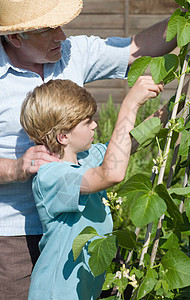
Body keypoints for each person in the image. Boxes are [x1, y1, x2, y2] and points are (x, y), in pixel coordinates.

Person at [0, 0, 176, 298]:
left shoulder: (72, 54)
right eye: (48, 29)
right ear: (15, 37)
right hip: (14, 231)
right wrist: (14, 168)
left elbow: (136, 47)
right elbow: (111, 171)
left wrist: (171, 111)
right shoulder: (54, 175)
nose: (62, 36)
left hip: (82, 237)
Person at [19, 76, 163, 299]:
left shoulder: (85, 157)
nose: (95, 124)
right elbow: (112, 173)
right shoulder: (52, 177)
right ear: (63, 136)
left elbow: (130, 143)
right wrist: (129, 104)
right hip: (56, 293)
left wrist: (177, 105)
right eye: (87, 122)